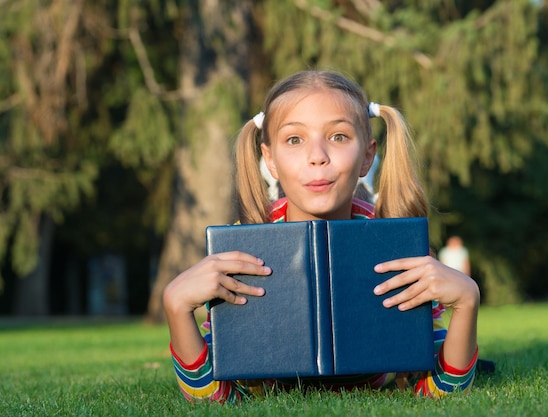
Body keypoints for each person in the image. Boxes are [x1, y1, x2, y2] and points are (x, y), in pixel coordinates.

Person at [163, 70, 480, 403]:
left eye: (339, 137)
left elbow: (439, 395)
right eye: (294, 139)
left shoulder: (394, 243)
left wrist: (467, 301)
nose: (317, 156)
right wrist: (176, 306)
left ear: (367, 157)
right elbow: (216, 400)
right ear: (269, 159)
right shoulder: (244, 249)